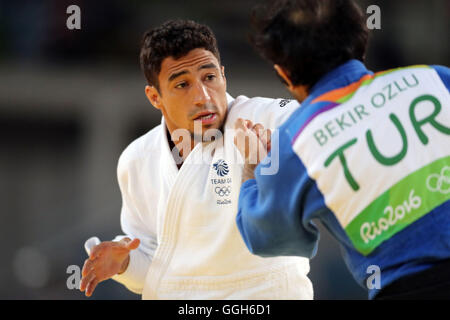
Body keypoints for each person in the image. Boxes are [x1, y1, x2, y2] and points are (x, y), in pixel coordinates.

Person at [79, 19, 313, 299]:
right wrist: (125, 263)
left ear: (223, 75)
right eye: (182, 84)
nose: (203, 96)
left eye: (209, 77)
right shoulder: (137, 160)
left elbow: (312, 120)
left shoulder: (264, 118)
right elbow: (156, 265)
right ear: (155, 97)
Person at [234, 0, 450, 299]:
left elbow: (267, 237)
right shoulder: (436, 79)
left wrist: (252, 168)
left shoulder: (296, 141)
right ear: (361, 41)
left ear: (283, 73)